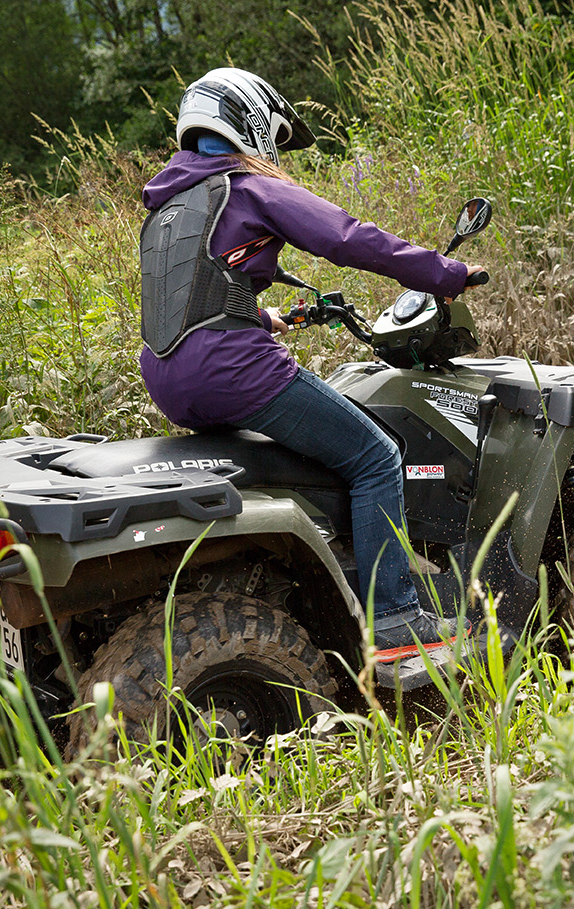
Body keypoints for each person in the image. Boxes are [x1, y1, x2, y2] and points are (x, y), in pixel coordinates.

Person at [137, 67, 482, 663]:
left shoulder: (166, 206)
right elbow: (350, 238)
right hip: (232, 371)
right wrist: (444, 273)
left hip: (167, 377)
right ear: (251, 125)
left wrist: (261, 316)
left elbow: (191, 292)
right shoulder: (246, 187)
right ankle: (398, 616)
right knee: (376, 456)